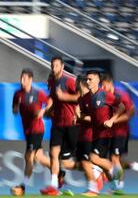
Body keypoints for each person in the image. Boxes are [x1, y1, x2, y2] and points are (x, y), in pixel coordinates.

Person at [100, 74, 138, 195]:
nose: (102, 87)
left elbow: (131, 112)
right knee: (116, 161)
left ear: (110, 83)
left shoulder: (120, 94)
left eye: (103, 85)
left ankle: (118, 186)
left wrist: (114, 121)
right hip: (108, 132)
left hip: (121, 132)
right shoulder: (102, 95)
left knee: (114, 159)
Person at [41, 57, 80, 195]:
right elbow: (54, 100)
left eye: (57, 65)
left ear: (62, 67)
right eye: (52, 65)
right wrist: (48, 111)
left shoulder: (69, 80)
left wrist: (64, 97)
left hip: (72, 124)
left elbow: (79, 96)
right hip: (57, 124)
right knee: (53, 154)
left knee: (79, 160)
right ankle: (53, 186)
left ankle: (96, 169)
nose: (54, 68)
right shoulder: (51, 82)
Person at [10, 69, 51, 196]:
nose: (22, 81)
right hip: (27, 131)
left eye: (25, 78)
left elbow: (50, 102)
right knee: (39, 157)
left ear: (31, 80)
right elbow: (14, 110)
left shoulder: (38, 93)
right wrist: (16, 109)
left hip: (37, 129)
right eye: (21, 78)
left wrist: (42, 112)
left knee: (28, 156)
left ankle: (22, 187)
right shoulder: (18, 94)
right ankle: (58, 171)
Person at [85, 70, 126, 195]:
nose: (88, 82)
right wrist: (78, 116)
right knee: (100, 164)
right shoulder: (86, 98)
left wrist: (112, 120)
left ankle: (114, 171)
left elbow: (122, 106)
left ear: (98, 81)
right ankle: (116, 187)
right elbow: (83, 112)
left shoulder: (104, 95)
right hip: (95, 135)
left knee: (93, 158)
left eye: (90, 79)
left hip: (106, 134)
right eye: (87, 79)